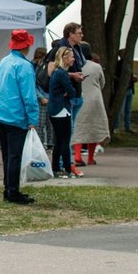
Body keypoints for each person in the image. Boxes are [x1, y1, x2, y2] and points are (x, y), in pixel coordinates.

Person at [0, 30, 39, 204]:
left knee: (7, 156)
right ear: (27, 45)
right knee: (15, 156)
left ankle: (8, 188)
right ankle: (13, 192)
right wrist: (33, 118)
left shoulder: (5, 61)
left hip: (1, 113)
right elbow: (29, 96)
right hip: (16, 116)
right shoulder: (24, 66)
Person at [71, 52, 110, 166]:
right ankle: (90, 158)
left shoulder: (74, 65)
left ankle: (77, 155)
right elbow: (102, 82)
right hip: (94, 99)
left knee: (78, 125)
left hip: (78, 97)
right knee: (93, 126)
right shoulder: (96, 66)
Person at [48, 47, 80, 178]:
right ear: (65, 58)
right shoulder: (62, 73)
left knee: (59, 141)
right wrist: (68, 93)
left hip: (55, 109)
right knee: (65, 141)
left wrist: (67, 93)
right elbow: (73, 92)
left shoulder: (57, 72)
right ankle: (67, 168)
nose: (73, 59)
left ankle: (56, 167)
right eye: (71, 57)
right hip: (61, 109)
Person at [31, 47, 52, 149]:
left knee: (49, 124)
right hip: (41, 98)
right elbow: (32, 85)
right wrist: (41, 97)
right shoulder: (32, 67)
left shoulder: (46, 66)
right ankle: (39, 144)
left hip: (46, 97)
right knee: (40, 123)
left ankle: (50, 144)